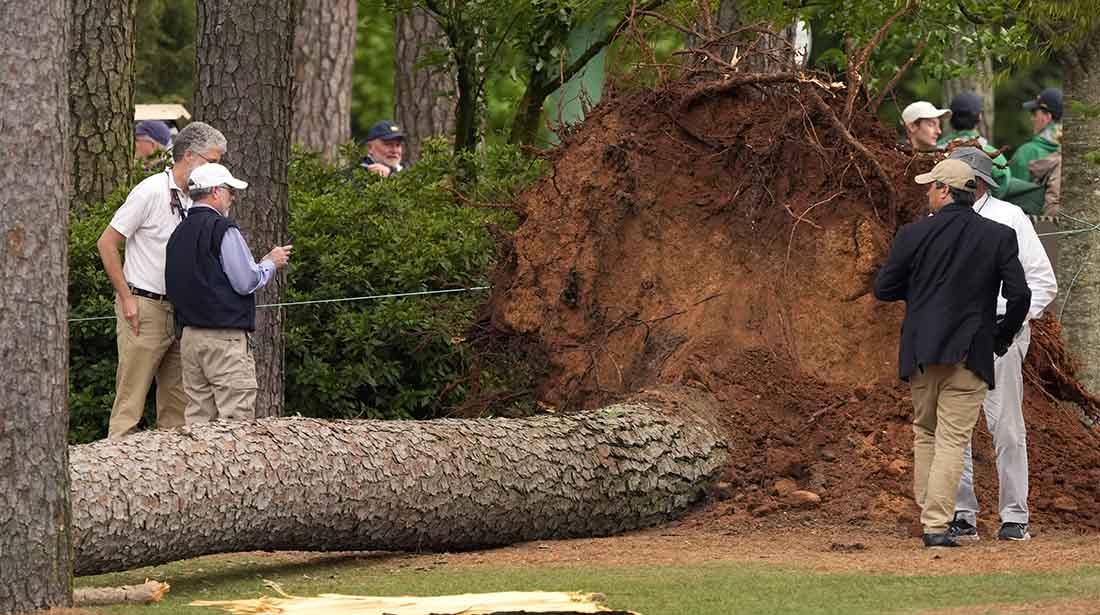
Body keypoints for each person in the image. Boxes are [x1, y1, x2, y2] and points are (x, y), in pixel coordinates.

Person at [874, 158, 1030, 548]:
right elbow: (1021, 295)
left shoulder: (913, 235)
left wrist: (923, 293)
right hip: (970, 352)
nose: (926, 191)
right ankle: (935, 525)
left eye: (931, 186)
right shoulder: (997, 236)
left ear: (945, 190)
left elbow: (884, 288)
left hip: (921, 351)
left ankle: (932, 515)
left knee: (926, 432)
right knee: (951, 438)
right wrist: (1001, 336)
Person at [946, 147, 1058, 542]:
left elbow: (1042, 282)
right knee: (956, 426)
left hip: (999, 333)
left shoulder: (1010, 217)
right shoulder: (938, 218)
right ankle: (962, 512)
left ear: (972, 181)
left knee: (1005, 426)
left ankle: (1014, 515)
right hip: (954, 333)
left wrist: (1009, 326)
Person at [96, 121, 228, 439]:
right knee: (131, 400)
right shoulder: (150, 191)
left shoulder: (197, 200)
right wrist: (127, 297)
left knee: (178, 406)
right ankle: (114, 473)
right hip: (145, 305)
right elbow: (106, 242)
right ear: (191, 157)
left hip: (182, 310)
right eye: (213, 161)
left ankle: (168, 477)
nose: (218, 169)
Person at [165, 163, 292, 424]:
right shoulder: (223, 228)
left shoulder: (177, 233)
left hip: (189, 338)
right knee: (236, 424)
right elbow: (246, 281)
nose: (233, 197)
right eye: (229, 190)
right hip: (224, 340)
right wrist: (270, 263)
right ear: (214, 191)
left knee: (198, 421)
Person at [937, 91, 1012, 198]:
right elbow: (1003, 181)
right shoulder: (992, 154)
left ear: (951, 118)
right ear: (979, 117)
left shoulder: (936, 150)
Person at [1009, 88, 1062, 181]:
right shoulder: (1075, 152)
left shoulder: (1026, 153)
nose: (1032, 119)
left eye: (1034, 113)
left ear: (1047, 117)